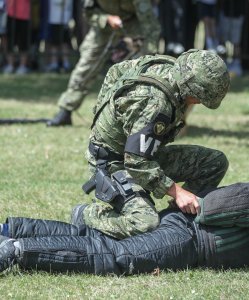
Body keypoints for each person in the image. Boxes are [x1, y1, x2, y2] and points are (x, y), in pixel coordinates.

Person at [73, 49, 230, 240]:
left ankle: (174, 219)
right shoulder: (156, 104)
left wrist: (106, 115)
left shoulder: (169, 68)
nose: (197, 103)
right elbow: (136, 162)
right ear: (190, 88)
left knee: (214, 163)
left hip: (141, 154)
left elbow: (116, 70)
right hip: (114, 164)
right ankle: (86, 214)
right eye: (198, 98)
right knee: (145, 223)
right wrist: (177, 192)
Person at [1, 182, 249, 274]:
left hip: (189, 229)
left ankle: (10, 228)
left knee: (94, 237)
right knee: (115, 255)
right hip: (192, 237)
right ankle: (16, 250)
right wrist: (207, 209)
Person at [47, 0, 161, 126]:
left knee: (140, 68)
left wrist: (150, 53)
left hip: (134, 23)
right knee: (87, 64)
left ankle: (142, 114)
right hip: (104, 26)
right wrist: (106, 19)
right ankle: (66, 110)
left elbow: (149, 24)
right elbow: (88, 13)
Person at [3, 0, 31, 74]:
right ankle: (10, 65)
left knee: (23, 42)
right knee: (10, 41)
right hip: (11, 14)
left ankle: (22, 66)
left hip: (24, 15)